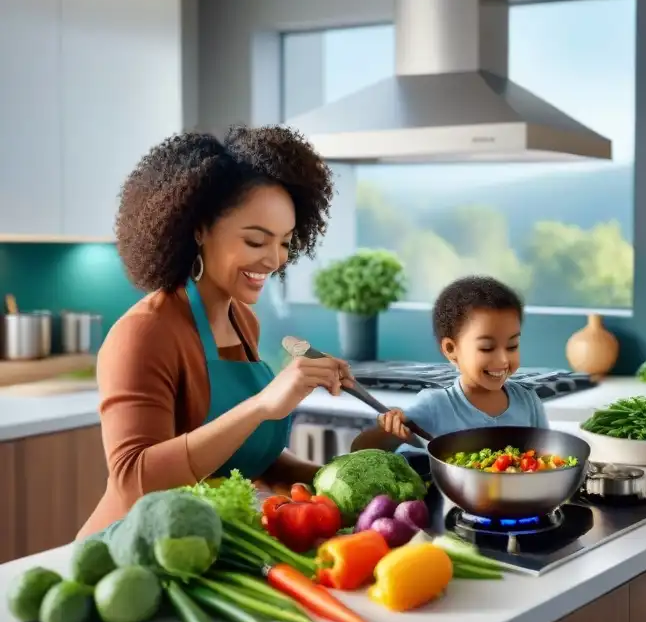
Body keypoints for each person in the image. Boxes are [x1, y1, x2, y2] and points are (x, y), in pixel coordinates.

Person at [78, 126, 354, 539]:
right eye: (256, 240)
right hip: (128, 556)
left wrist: (342, 483)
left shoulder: (243, 321)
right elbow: (134, 480)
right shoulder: (144, 335)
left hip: (199, 548)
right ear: (199, 229)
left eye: (284, 242)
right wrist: (262, 405)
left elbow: (241, 460)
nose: (274, 259)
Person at [355, 276, 548, 450]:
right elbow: (362, 448)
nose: (503, 360)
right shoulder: (435, 405)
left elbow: (550, 457)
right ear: (450, 349)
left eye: (512, 346)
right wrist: (387, 428)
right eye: (487, 348)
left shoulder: (528, 401)